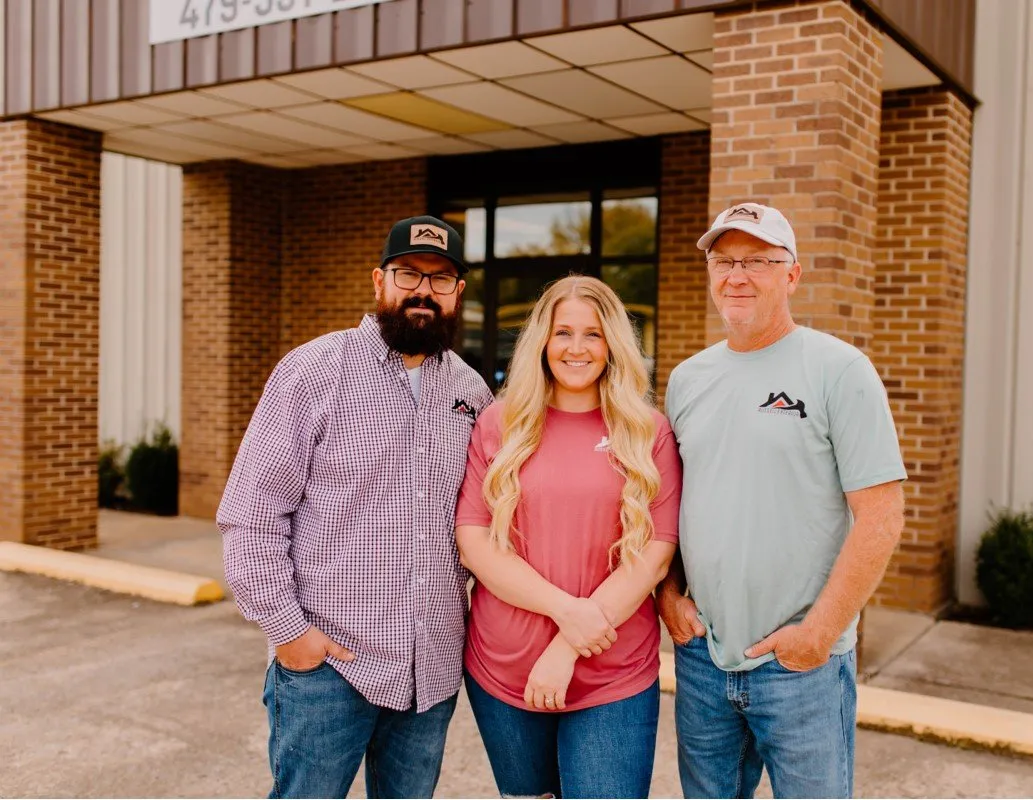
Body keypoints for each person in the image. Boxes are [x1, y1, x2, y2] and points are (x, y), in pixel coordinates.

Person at [218, 215, 493, 799]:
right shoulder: (312, 371)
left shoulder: (472, 394)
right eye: (407, 274)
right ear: (379, 281)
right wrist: (291, 635)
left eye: (441, 279)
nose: (423, 290)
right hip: (329, 666)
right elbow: (252, 514)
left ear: (458, 294)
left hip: (432, 670)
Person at [658, 203, 907, 799]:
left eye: (758, 261)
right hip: (704, 659)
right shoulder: (687, 380)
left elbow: (881, 515)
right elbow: (668, 502)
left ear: (792, 274)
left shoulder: (839, 370)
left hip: (802, 667)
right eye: (724, 260)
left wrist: (818, 633)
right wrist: (668, 593)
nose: (737, 275)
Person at [454, 275, 682, 799]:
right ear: (542, 341)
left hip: (613, 674)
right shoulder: (499, 423)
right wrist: (567, 612)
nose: (576, 348)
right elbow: (474, 539)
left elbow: (653, 555)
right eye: (563, 333)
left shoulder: (648, 431)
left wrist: (566, 647)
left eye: (593, 335)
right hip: (504, 669)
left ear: (612, 346)